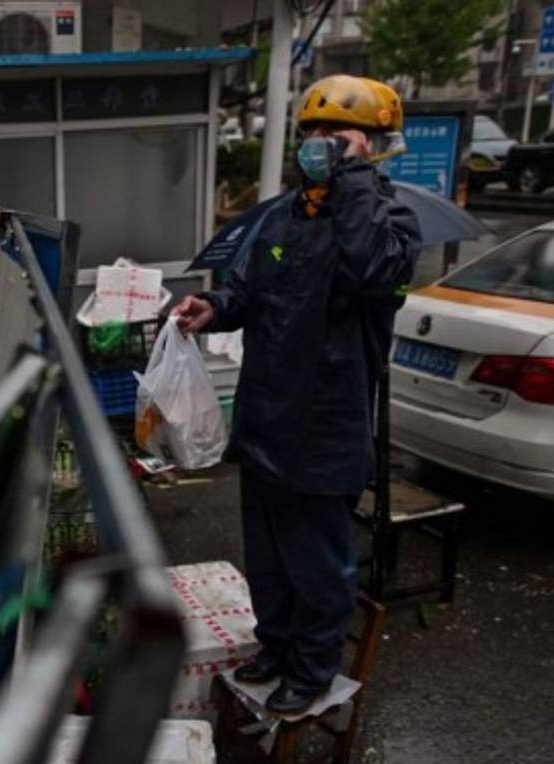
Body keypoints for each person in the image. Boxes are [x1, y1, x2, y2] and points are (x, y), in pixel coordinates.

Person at [172, 75, 421, 715]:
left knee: (316, 565)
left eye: (335, 136)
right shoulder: (285, 215)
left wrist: (354, 183)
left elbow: (371, 271)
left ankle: (311, 670)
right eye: (310, 133)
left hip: (324, 429)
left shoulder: (390, 221)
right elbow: (251, 292)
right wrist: (214, 307)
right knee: (271, 559)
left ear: (373, 146)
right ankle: (276, 648)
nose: (318, 146)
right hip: (266, 421)